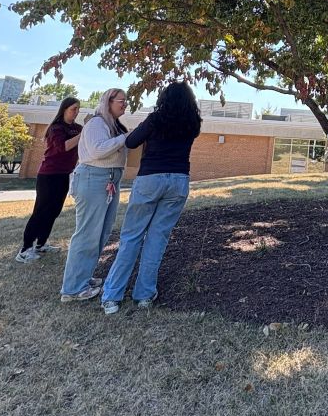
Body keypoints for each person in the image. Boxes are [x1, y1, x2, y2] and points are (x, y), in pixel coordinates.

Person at [101, 82, 201, 314]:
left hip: (150, 178)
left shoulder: (156, 119)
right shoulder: (192, 122)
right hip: (178, 180)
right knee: (158, 238)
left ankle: (112, 296)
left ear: (164, 98)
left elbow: (131, 141)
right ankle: (144, 295)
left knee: (131, 236)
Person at [60, 89, 129, 302]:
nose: (125, 104)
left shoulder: (112, 124)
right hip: (94, 179)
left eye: (126, 101)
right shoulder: (97, 123)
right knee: (87, 233)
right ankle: (72, 289)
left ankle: (84, 277)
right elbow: (98, 150)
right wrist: (124, 139)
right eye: (121, 101)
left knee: (101, 232)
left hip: (108, 181)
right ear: (108, 102)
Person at [16, 97, 82, 263]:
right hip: (49, 175)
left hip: (65, 174)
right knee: (41, 210)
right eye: (73, 109)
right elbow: (63, 147)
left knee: (54, 210)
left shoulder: (77, 128)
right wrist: (84, 133)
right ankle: (25, 249)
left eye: (78, 109)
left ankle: (41, 244)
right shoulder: (56, 128)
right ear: (64, 109)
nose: (76, 112)